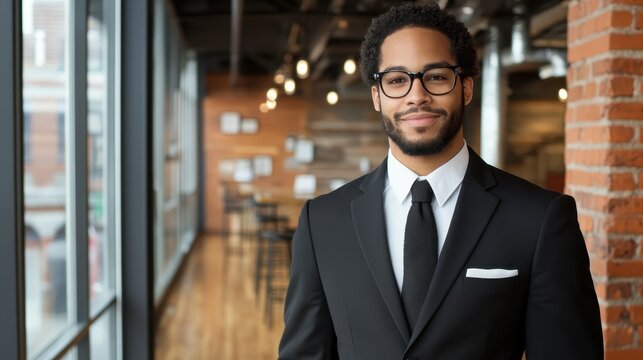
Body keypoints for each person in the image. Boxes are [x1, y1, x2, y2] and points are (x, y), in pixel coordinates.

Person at [278, 2, 603, 359]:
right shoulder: (322, 222)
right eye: (397, 80)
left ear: (465, 87)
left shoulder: (539, 219)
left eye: (435, 76)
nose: (416, 96)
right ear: (377, 96)